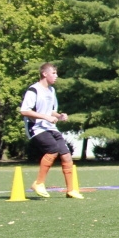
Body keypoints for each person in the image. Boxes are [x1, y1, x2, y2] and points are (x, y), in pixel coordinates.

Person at [18, 63, 84, 199]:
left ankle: (71, 190)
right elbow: (24, 111)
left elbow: (51, 111)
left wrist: (59, 116)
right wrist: (46, 117)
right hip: (36, 128)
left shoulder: (51, 91)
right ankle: (39, 183)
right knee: (53, 149)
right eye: (54, 73)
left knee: (66, 155)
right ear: (44, 74)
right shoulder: (33, 90)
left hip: (50, 127)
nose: (56, 76)